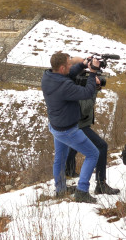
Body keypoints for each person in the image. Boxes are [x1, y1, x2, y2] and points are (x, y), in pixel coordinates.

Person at [41, 52, 101, 203]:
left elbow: (68, 75)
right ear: (62, 68)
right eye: (69, 65)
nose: (71, 66)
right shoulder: (64, 86)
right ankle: (82, 191)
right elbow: (87, 93)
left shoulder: (48, 76)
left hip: (56, 126)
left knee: (59, 159)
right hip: (67, 130)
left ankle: (60, 190)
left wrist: (82, 64)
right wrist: (92, 73)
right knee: (93, 153)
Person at [63, 59, 121, 196]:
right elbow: (85, 109)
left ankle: (68, 171)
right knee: (101, 146)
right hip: (79, 124)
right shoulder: (77, 87)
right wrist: (93, 89)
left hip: (73, 124)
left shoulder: (70, 81)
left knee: (72, 146)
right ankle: (100, 184)